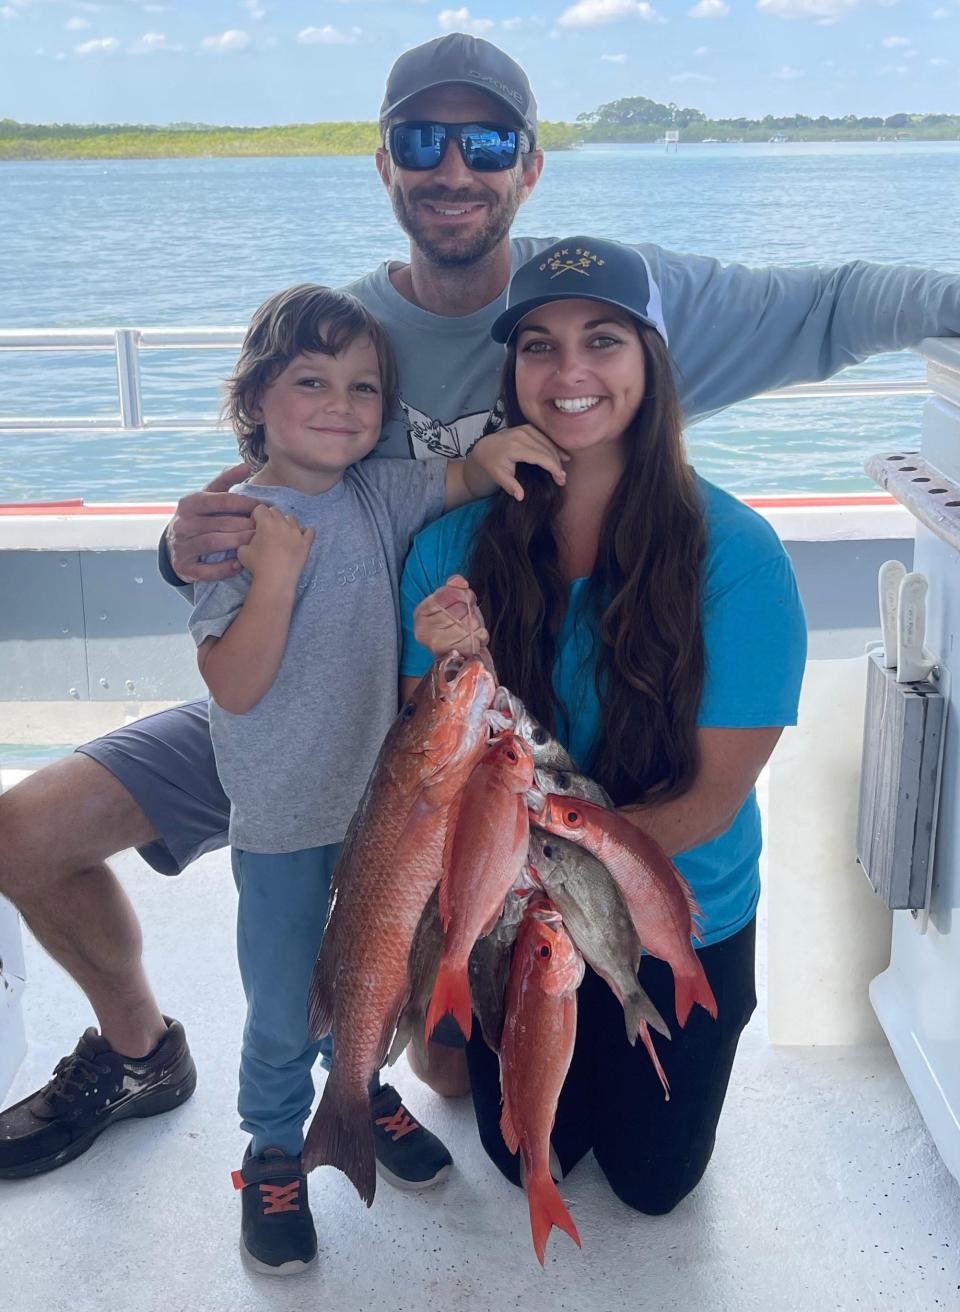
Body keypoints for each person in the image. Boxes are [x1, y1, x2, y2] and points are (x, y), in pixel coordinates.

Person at [2, 27, 959, 1195]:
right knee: (24, 831)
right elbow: (258, 497)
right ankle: (145, 1051)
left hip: (451, 723)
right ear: (385, 161)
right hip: (303, 708)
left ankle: (414, 1055)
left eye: (487, 138)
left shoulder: (627, 292)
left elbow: (838, 302)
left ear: (531, 165)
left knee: (492, 1087)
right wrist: (177, 545)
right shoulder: (337, 331)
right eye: (421, 138)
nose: (453, 166)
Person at [401, 236, 807, 1214]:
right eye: (537, 345)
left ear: (651, 362)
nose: (569, 371)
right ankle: (446, 1020)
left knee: (652, 1182)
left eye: (604, 340)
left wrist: (560, 874)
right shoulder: (449, 552)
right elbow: (428, 765)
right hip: (516, 915)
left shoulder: (740, 557)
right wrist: (447, 671)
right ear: (512, 374)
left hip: (675, 909)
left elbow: (712, 795)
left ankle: (466, 1039)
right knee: (524, 1155)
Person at [187, 282, 565, 1273]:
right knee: (284, 999)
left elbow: (462, 477)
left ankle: (359, 1091)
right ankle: (275, 1144)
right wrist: (273, 574)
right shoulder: (236, 527)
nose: (343, 404)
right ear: (255, 399)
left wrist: (512, 454)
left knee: (378, 974)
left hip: (382, 815)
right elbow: (232, 679)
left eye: (364, 387)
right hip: (280, 823)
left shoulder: (375, 488)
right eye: (312, 380)